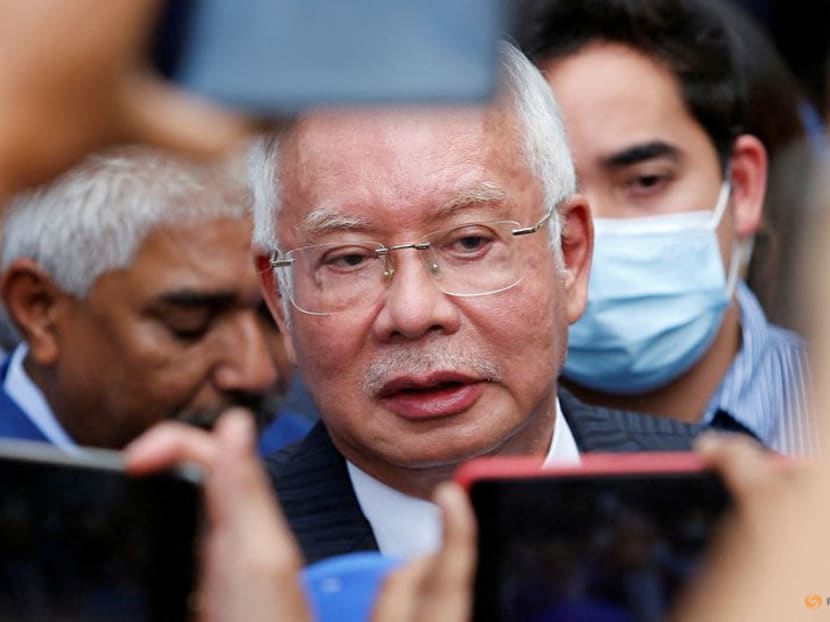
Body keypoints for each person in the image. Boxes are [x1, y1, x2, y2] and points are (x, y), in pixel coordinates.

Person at [247, 41, 714, 565]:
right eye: (350, 259)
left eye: (469, 242)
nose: (414, 313)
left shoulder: (751, 517)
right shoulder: (207, 561)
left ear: (571, 256)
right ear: (280, 299)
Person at [518, 0, 815, 456]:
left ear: (743, 185)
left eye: (646, 181)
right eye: (558, 196)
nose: (593, 230)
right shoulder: (452, 438)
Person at [0, 146, 285, 450]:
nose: (258, 373)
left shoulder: (313, 468)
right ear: (39, 310)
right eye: (190, 323)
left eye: (275, 313)